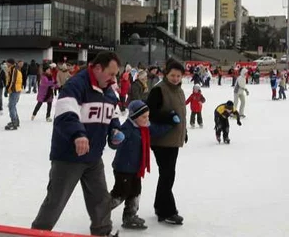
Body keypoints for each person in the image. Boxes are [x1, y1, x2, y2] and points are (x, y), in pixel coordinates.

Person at [31, 52, 124, 236]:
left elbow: (112, 116)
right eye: (111, 74)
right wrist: (78, 135)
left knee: (100, 199)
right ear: (97, 68)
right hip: (69, 157)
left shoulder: (109, 92)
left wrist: (115, 131)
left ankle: (102, 232)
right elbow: (65, 114)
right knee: (56, 200)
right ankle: (38, 233)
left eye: (116, 75)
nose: (114, 79)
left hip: (93, 156)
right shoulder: (76, 85)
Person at [109, 100, 173, 230]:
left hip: (136, 168)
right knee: (120, 193)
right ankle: (100, 210)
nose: (146, 119)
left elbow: (157, 130)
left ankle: (130, 217)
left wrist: (171, 124)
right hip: (123, 168)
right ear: (134, 116)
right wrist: (115, 139)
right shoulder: (126, 128)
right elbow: (114, 142)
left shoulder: (145, 127)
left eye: (148, 116)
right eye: (143, 117)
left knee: (135, 192)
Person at [145, 59, 187, 225]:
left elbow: (181, 113)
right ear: (166, 74)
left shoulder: (179, 90)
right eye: (172, 75)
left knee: (167, 175)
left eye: (178, 75)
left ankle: (159, 206)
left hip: (173, 139)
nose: (175, 78)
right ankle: (167, 210)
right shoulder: (158, 90)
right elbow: (150, 113)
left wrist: (184, 131)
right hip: (161, 140)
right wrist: (169, 117)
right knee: (168, 175)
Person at [5, 59, 23, 130]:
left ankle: (14, 122)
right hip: (14, 90)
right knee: (13, 106)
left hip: (14, 90)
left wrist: (7, 89)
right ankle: (16, 121)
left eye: (7, 63)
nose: (6, 64)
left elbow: (12, 81)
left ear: (10, 63)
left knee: (11, 106)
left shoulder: (14, 70)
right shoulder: (12, 69)